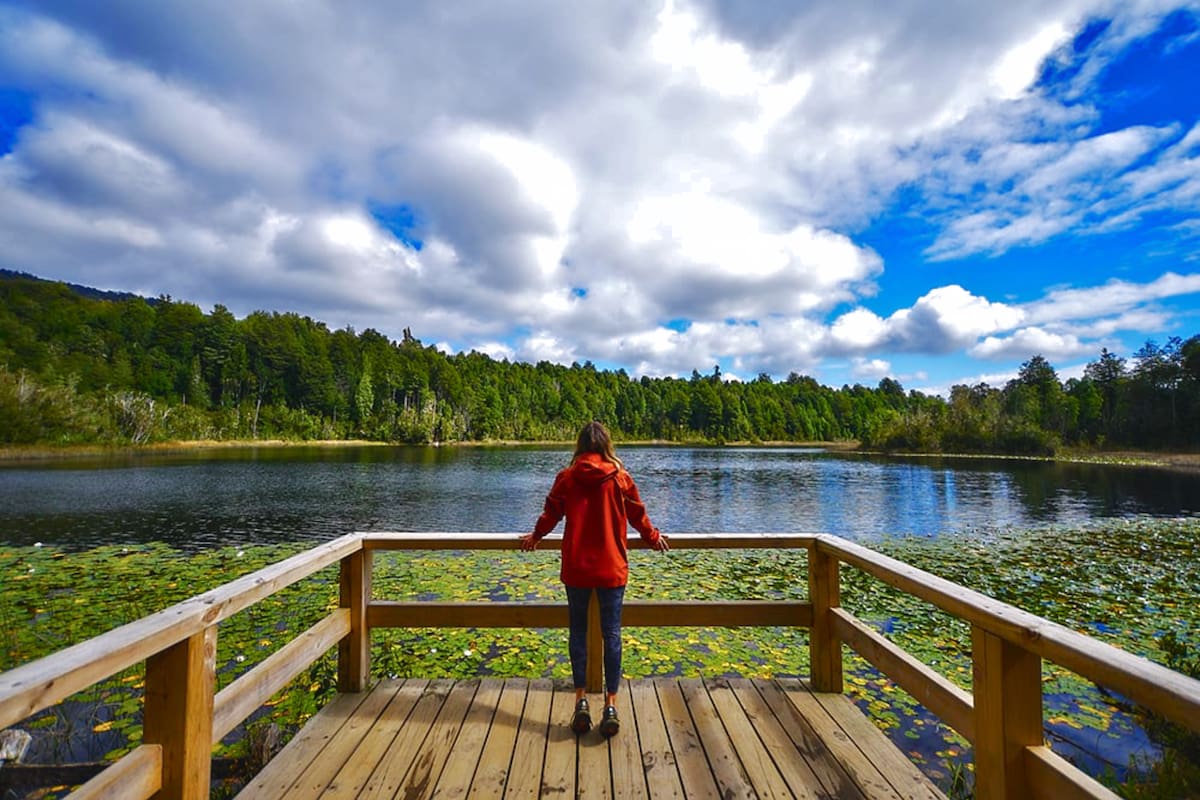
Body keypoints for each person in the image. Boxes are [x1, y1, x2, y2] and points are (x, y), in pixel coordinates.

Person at [520, 421, 669, 737]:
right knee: (611, 634)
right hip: (611, 567)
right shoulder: (619, 478)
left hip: (576, 567)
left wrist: (536, 535)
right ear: (606, 446)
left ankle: (581, 701)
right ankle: (611, 706)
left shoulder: (567, 478)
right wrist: (653, 537)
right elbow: (638, 516)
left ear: (579, 446)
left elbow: (551, 513)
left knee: (578, 632)